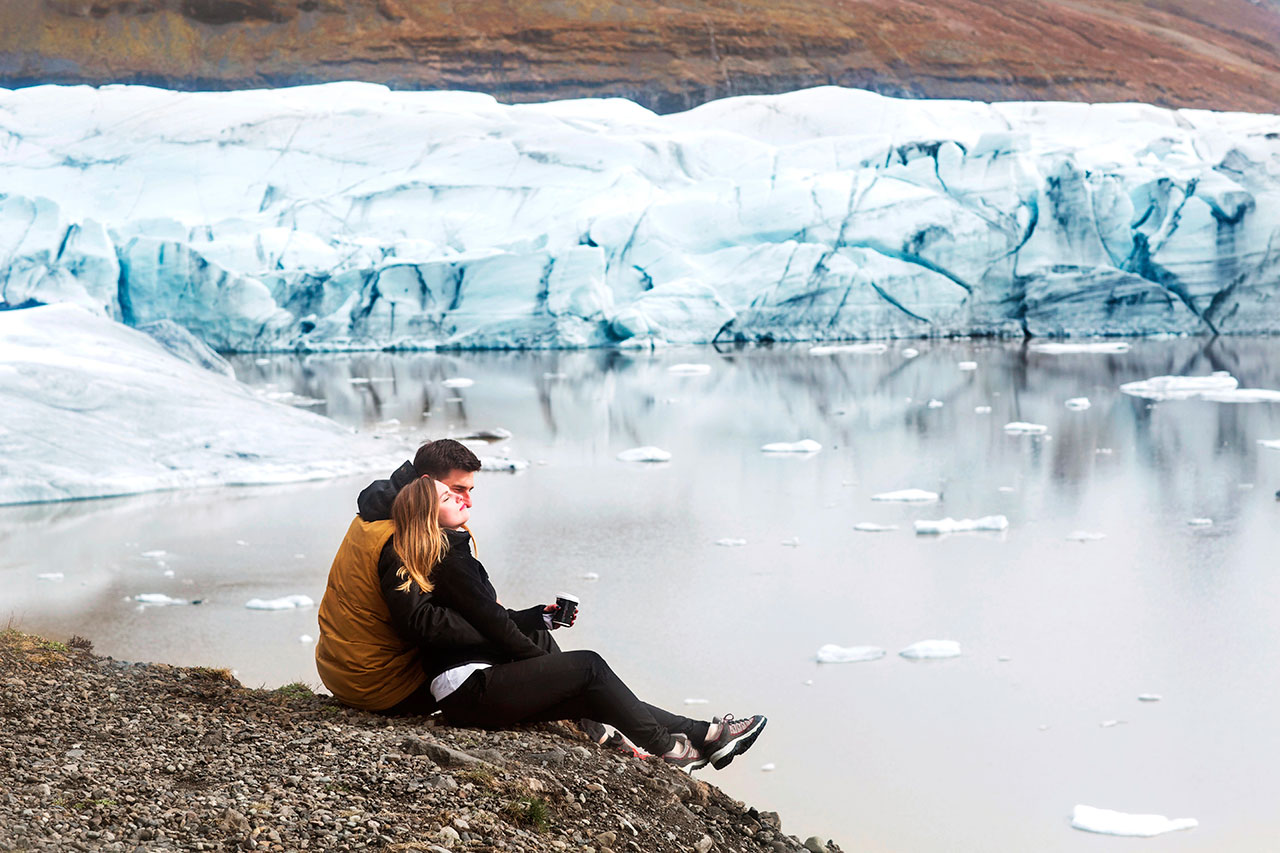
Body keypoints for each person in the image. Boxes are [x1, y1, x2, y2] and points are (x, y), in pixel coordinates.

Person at [384, 470, 766, 771]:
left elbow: (485, 617)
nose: (463, 499)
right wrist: (538, 659)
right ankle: (670, 748)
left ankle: (707, 735)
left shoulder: (448, 552)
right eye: (450, 496)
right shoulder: (450, 559)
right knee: (589, 666)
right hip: (467, 691)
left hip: (468, 691)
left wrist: (535, 619)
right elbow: (490, 623)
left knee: (592, 691)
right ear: (427, 514)